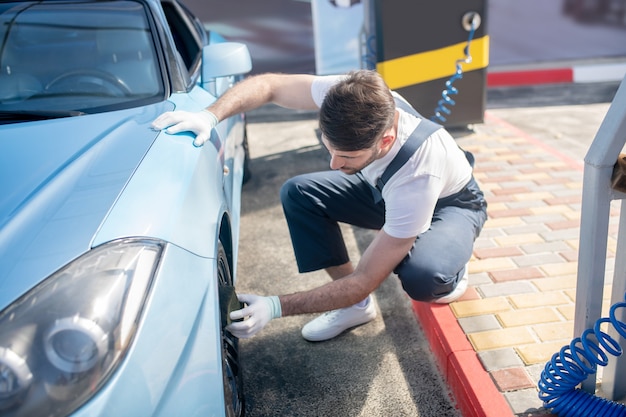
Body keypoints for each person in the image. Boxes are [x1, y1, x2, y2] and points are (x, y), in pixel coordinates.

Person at [151, 70, 487, 342]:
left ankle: (450, 264)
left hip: (451, 204)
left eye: (347, 156)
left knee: (423, 278)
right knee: (300, 193)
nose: (333, 164)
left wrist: (275, 306)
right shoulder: (346, 94)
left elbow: (366, 278)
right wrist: (210, 116)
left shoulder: (418, 175)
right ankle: (356, 309)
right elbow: (269, 85)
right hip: (383, 191)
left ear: (385, 140)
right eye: (329, 148)